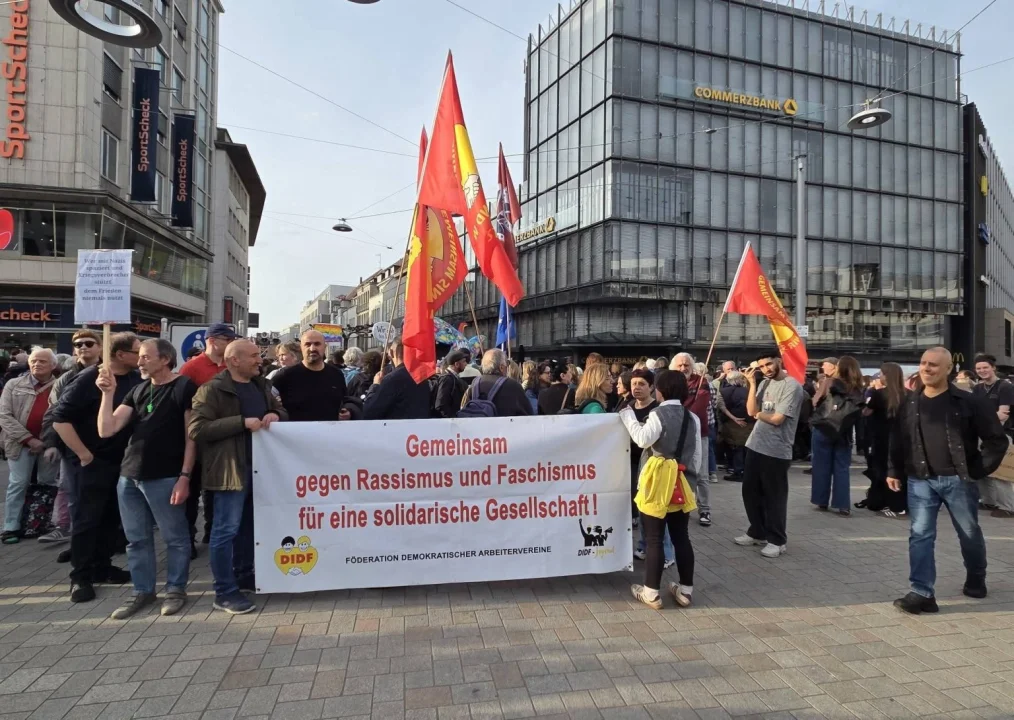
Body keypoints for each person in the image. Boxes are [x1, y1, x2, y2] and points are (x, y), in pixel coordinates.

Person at [889, 347, 1008, 614]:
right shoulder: (910, 403)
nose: (926, 368)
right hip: (920, 479)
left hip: (959, 480)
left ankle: (976, 578)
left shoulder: (969, 401)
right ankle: (922, 593)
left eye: (933, 364)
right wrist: (893, 470)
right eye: (923, 363)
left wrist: (978, 470)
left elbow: (996, 440)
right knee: (920, 535)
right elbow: (899, 439)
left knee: (968, 533)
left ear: (947, 370)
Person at [96, 339, 195, 619]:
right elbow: (107, 429)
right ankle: (143, 591)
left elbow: (192, 437)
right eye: (139, 357)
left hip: (165, 476)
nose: (139, 362)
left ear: (165, 359)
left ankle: (175, 589)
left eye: (145, 357)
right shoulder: (138, 390)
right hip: (129, 476)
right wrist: (108, 394)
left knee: (174, 537)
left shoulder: (184, 387)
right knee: (136, 539)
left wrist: (185, 476)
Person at [189, 339, 287, 615]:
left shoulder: (261, 386)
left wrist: (275, 414)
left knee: (247, 528)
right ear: (234, 360)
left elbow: (282, 410)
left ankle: (244, 575)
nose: (260, 360)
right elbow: (197, 429)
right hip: (230, 472)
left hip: (259, 470)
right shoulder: (212, 390)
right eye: (254, 356)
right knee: (225, 531)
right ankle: (224, 591)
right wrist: (240, 423)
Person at [52, 333, 142, 602]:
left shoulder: (135, 379)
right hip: (91, 463)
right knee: (86, 520)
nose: (141, 356)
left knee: (110, 518)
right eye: (137, 352)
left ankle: (102, 567)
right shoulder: (90, 379)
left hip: (120, 462)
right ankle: (80, 577)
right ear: (120, 354)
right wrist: (83, 454)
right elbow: (59, 419)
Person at [621, 369, 703, 610]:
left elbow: (642, 439)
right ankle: (686, 591)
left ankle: (651, 593)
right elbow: (697, 454)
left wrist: (628, 417)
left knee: (655, 539)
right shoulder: (692, 417)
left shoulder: (658, 414)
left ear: (660, 389)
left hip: (657, 483)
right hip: (682, 482)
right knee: (681, 537)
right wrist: (691, 483)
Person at [734, 352, 804, 559]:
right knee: (751, 492)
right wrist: (752, 384)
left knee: (774, 497)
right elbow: (750, 410)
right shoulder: (764, 384)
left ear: (779, 362)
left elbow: (777, 419)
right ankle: (757, 531)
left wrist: (757, 415)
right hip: (755, 445)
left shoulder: (792, 386)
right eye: (762, 366)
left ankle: (777, 540)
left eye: (769, 364)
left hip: (777, 450)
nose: (767, 369)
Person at [39, 330, 102, 549]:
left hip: (106, 443)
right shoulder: (66, 378)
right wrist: (52, 444)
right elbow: (53, 413)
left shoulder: (111, 373)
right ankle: (73, 535)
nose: (83, 347)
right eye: (78, 344)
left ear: (100, 346)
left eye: (89, 343)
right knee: (71, 489)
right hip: (73, 445)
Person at [179, 323, 239, 548]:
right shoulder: (191, 368)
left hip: (223, 437)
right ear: (213, 340)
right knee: (193, 489)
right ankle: (187, 539)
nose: (231, 344)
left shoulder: (231, 366)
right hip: (197, 437)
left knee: (216, 489)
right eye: (228, 339)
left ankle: (212, 532)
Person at [1, 348, 59, 544]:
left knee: (48, 483)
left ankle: (40, 522)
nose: (37, 364)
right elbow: (4, 416)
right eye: (34, 361)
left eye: (42, 361)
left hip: (50, 444)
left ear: (53, 365)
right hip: (19, 444)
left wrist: (48, 442)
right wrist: (29, 439)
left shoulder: (60, 386)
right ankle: (11, 527)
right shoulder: (13, 384)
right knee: (18, 483)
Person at [810, 355, 864, 516]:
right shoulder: (857, 387)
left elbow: (815, 401)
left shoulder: (829, 382)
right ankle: (843, 505)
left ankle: (821, 500)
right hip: (844, 431)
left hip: (824, 428)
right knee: (841, 468)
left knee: (821, 466)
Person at [858, 363, 907, 517]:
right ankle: (900, 502)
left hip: (881, 438)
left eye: (881, 374)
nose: (880, 376)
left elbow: (866, 412)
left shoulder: (879, 394)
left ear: (887, 376)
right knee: (899, 471)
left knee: (881, 470)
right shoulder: (909, 394)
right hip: (902, 439)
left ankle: (885, 502)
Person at [271, 330, 350, 422]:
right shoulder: (285, 375)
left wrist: (348, 410)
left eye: (317, 344)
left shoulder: (336, 374)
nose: (312, 348)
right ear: (301, 348)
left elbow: (346, 400)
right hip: (295, 434)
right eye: (307, 344)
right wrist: (274, 412)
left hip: (329, 433)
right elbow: (265, 399)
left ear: (324, 347)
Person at [671, 353, 713, 527]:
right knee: (678, 471)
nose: (683, 368)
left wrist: (680, 412)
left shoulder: (701, 380)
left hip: (698, 433)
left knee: (701, 473)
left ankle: (705, 509)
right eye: (680, 365)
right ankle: (682, 504)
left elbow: (699, 405)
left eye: (686, 365)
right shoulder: (672, 381)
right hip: (676, 434)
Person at [971, 353, 1014, 518]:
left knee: (1001, 471)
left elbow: (1003, 414)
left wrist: (981, 420)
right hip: (982, 433)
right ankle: (988, 500)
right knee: (982, 467)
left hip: (1001, 434)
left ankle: (1007, 507)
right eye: (979, 368)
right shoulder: (978, 388)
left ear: (993, 368)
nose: (982, 371)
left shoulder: (1005, 386)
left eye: (985, 367)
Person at [363, 341, 433, 420]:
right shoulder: (421, 377)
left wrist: (375, 386)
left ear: (391, 353)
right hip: (419, 429)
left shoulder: (391, 379)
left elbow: (370, 411)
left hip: (396, 429)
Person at [460, 349, 533, 417]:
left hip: (478, 429)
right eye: (507, 363)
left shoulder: (474, 383)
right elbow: (528, 415)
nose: (507, 367)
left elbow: (463, 407)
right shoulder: (513, 385)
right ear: (501, 367)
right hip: (505, 429)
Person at [720, 371, 752, 481]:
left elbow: (721, 408)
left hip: (731, 422)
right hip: (748, 422)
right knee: (745, 448)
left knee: (736, 448)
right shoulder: (748, 391)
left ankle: (738, 471)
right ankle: (746, 471)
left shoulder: (723, 392)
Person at [434, 350, 470, 418]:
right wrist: (452, 419)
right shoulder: (446, 379)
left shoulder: (453, 378)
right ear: (456, 364)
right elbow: (440, 404)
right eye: (464, 361)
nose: (466, 364)